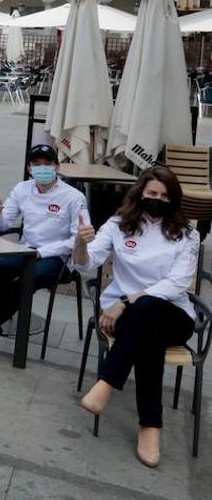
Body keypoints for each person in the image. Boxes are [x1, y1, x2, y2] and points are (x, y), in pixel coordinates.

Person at [72, 166, 200, 468]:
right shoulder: (119, 225)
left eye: (165, 196)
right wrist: (80, 242)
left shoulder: (187, 234)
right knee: (147, 338)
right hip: (135, 320)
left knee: (146, 311)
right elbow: (85, 264)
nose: (158, 200)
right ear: (140, 193)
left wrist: (126, 302)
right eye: (152, 193)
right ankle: (150, 426)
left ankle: (106, 383)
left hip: (174, 315)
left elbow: (176, 284)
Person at [0, 144, 86, 361]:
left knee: (31, 277)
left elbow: (77, 238)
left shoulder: (74, 197)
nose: (43, 168)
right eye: (37, 165)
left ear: (57, 166)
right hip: (25, 250)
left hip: (57, 257)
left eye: (47, 164)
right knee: (0, 270)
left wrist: (43, 253)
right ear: (29, 168)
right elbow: (3, 224)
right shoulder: (22, 189)